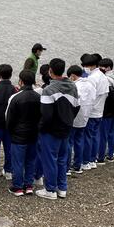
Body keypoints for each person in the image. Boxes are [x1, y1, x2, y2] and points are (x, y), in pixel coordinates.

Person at [36, 58, 78, 200]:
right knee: (62, 158)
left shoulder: (48, 90)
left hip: (51, 131)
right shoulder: (72, 86)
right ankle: (62, 188)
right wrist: (68, 120)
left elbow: (46, 115)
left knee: (50, 160)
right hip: (66, 128)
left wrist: (40, 128)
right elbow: (76, 107)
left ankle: (50, 189)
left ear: (50, 71)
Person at [5, 70, 40, 196]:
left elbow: (9, 119)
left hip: (19, 135)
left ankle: (18, 187)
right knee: (30, 160)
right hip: (34, 133)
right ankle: (29, 185)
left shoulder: (16, 97)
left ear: (21, 81)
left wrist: (11, 132)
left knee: (18, 162)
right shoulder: (39, 97)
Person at [67, 64, 94, 174]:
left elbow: (73, 102)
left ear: (73, 76)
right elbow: (93, 99)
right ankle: (78, 165)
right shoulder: (90, 84)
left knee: (69, 142)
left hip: (74, 117)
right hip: (85, 116)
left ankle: (67, 167)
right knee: (79, 140)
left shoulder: (75, 86)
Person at [83, 53, 108, 170]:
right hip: (100, 110)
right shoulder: (103, 76)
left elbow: (89, 96)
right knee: (95, 136)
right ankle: (93, 159)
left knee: (88, 137)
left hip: (92, 111)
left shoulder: (92, 78)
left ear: (90, 66)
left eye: (85, 66)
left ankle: (86, 160)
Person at [97, 58, 114, 164]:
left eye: (101, 67)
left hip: (106, 110)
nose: (99, 69)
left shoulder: (106, 79)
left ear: (107, 68)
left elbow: (109, 96)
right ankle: (110, 155)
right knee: (111, 133)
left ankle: (100, 157)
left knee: (102, 135)